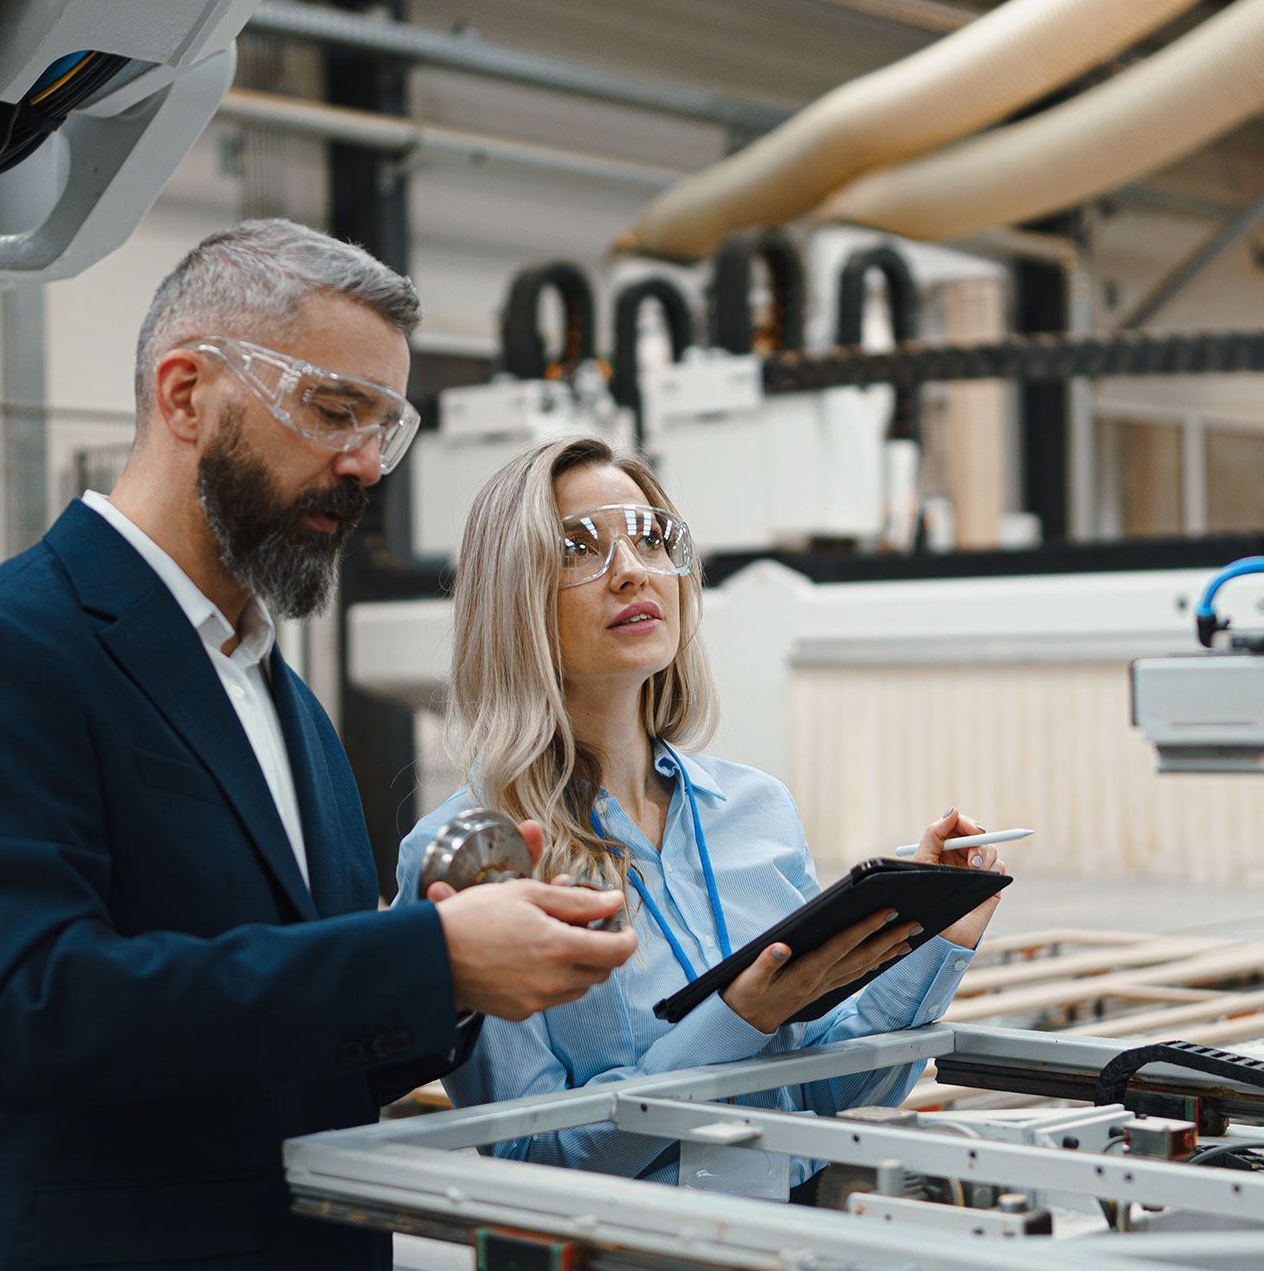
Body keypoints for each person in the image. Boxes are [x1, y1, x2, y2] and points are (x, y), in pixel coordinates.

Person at [0, 220, 636, 1271]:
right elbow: (30, 1012)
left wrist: (452, 981)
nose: (365, 465)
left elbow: (302, 1051)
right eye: (333, 411)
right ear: (186, 395)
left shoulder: (284, 702)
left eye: (384, 427)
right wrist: (423, 956)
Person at [392, 435, 1007, 1193]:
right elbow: (534, 1159)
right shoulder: (477, 856)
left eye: (651, 538)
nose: (631, 570)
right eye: (580, 547)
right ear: (513, 596)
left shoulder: (756, 811)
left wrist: (933, 941)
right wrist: (735, 1019)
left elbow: (825, 1096)